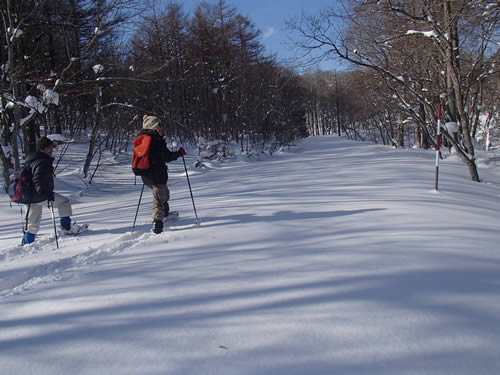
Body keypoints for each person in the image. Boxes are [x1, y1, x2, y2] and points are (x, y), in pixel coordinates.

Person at [21, 136, 74, 245]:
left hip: (29, 196)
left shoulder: (31, 160)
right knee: (64, 202)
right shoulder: (42, 161)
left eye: (51, 147)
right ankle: (66, 228)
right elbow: (38, 178)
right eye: (49, 147)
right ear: (42, 149)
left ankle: (26, 244)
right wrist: (45, 193)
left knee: (32, 223)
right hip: (38, 195)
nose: (51, 149)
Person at [138, 115, 186, 234]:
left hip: (146, 175)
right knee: (159, 198)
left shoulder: (142, 138)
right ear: (154, 126)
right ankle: (157, 223)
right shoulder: (156, 140)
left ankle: (165, 214)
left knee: (163, 194)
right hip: (157, 173)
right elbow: (166, 156)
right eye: (159, 125)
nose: (162, 128)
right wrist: (179, 153)